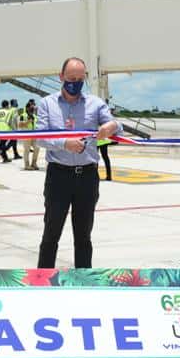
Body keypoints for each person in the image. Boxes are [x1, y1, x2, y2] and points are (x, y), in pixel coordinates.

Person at [35, 57, 119, 269]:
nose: (76, 82)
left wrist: (110, 126)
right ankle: (42, 280)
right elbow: (40, 137)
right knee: (51, 234)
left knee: (83, 236)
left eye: (80, 79)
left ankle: (84, 282)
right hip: (58, 176)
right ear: (61, 77)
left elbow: (115, 125)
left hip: (87, 178)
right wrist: (65, 143)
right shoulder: (47, 104)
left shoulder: (96, 104)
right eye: (71, 78)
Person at [19, 98, 40, 170]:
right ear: (27, 108)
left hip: (34, 135)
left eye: (33, 108)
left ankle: (34, 163)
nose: (32, 109)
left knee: (37, 148)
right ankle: (26, 165)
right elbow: (20, 125)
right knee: (27, 150)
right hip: (26, 135)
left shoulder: (35, 116)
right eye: (31, 108)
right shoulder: (23, 115)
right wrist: (28, 121)